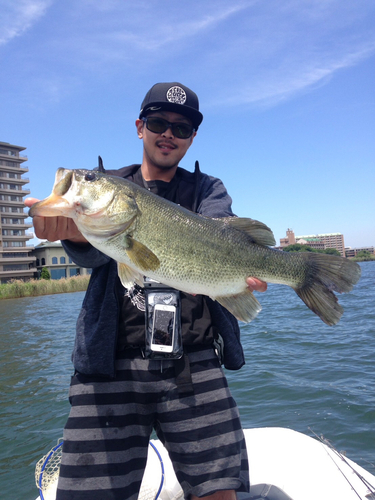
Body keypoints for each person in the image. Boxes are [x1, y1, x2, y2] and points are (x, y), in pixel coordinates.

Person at [25, 82, 267, 500]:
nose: (168, 133)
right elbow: (90, 255)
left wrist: (238, 274)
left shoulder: (209, 190)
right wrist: (71, 231)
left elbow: (221, 237)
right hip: (108, 367)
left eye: (182, 127)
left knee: (219, 492)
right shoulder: (113, 184)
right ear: (140, 127)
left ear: (192, 138)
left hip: (192, 361)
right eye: (158, 122)